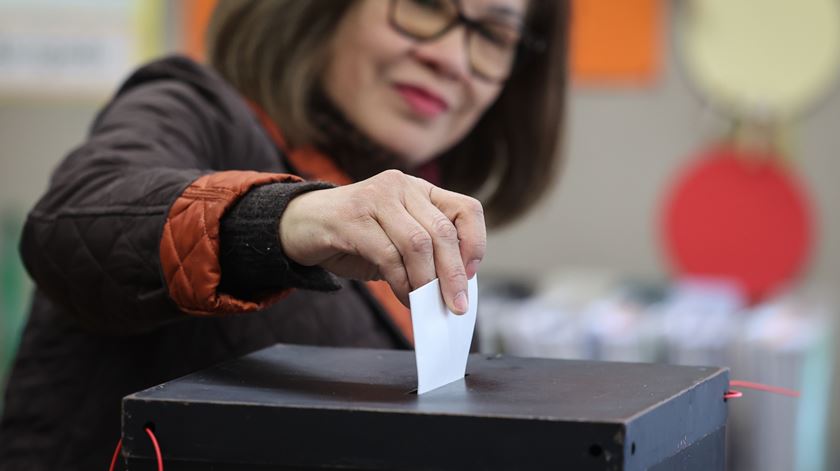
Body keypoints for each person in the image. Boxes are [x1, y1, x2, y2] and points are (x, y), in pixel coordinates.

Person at [0, 0, 568, 468]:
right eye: (422, 6)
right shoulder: (196, 107)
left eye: (493, 35)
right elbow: (71, 220)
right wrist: (288, 218)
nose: (450, 57)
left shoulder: (431, 222)